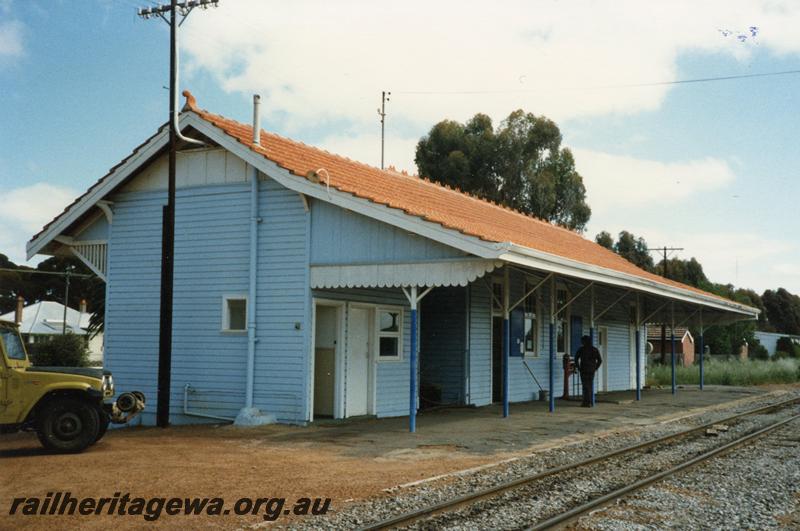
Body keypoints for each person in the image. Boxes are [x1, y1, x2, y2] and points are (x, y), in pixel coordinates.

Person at [574, 335, 602, 407]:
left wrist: (578, 367)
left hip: (584, 369)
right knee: (589, 386)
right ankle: (589, 402)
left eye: (582, 341)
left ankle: (587, 402)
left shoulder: (581, 349)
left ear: (584, 341)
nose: (581, 342)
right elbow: (600, 360)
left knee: (585, 386)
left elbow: (576, 358)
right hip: (591, 370)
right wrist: (595, 368)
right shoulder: (595, 349)